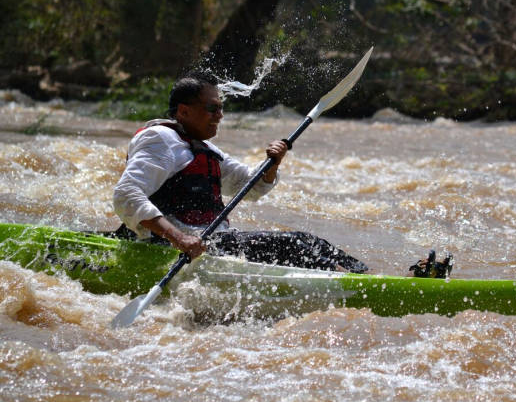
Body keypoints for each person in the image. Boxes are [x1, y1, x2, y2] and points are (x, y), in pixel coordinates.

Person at [112, 71, 368, 273]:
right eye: (212, 109)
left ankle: (367, 277)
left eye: (221, 108)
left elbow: (250, 186)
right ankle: (356, 285)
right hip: (169, 246)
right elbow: (126, 194)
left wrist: (273, 164)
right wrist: (179, 239)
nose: (220, 116)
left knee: (310, 242)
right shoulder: (160, 139)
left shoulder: (204, 148)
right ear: (183, 111)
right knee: (292, 245)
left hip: (207, 243)